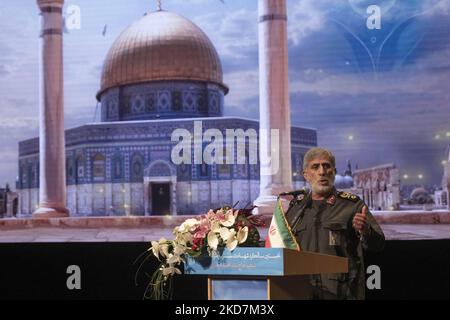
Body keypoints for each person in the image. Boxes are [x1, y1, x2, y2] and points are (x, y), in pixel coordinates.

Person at [283, 147, 385, 299]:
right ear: (306, 175)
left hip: (340, 293)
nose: (322, 172)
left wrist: (366, 231)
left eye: (326, 166)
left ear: (334, 171)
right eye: (315, 167)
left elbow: (378, 245)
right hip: (301, 291)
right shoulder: (295, 209)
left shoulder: (352, 205)